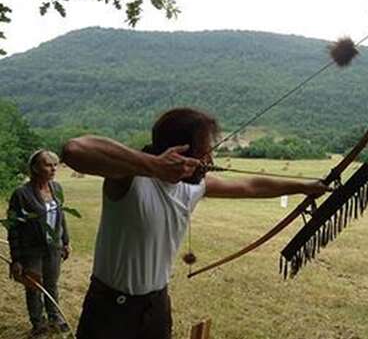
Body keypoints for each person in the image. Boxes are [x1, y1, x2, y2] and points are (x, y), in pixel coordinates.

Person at [61, 107, 330, 339]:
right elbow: (74, 150)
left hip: (156, 306)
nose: (210, 162)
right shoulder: (130, 179)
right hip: (110, 308)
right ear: (177, 151)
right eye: (204, 152)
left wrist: (304, 187)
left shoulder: (194, 187)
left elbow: (251, 185)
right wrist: (153, 165)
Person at [7, 149, 71, 337]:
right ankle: (38, 324)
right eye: (48, 165)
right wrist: (17, 259)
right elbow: (13, 227)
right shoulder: (21, 194)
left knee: (51, 284)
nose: (53, 169)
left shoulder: (57, 188)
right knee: (34, 287)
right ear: (35, 168)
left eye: (55, 165)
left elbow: (61, 216)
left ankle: (54, 319)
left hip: (54, 247)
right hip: (31, 250)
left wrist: (65, 241)